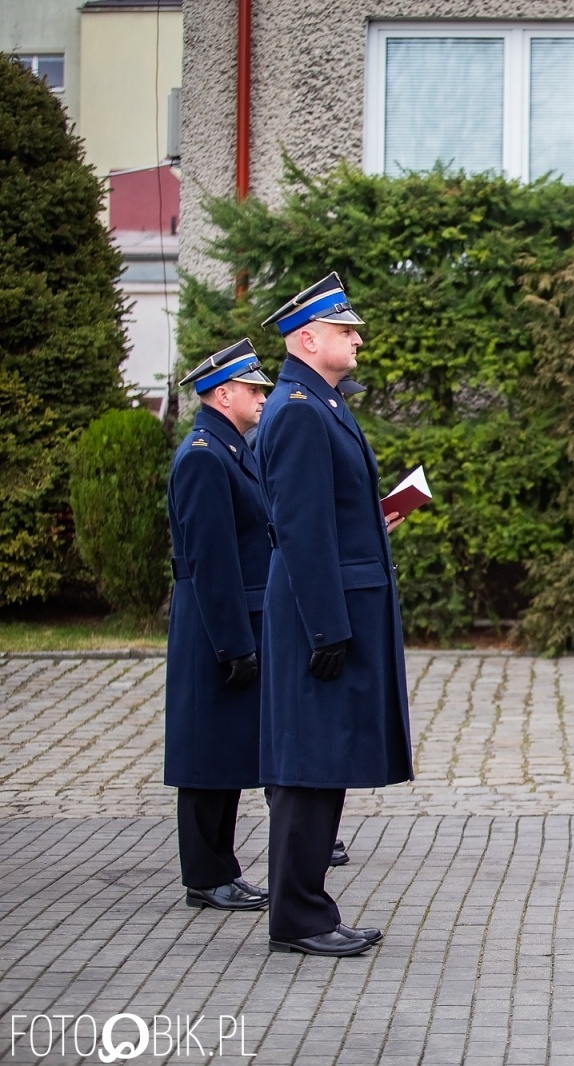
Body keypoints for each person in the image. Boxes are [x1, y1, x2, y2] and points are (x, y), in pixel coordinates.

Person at [255, 272, 412, 958]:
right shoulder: (296, 409)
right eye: (345, 329)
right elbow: (301, 529)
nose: (355, 337)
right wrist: (326, 627)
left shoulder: (321, 402)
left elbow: (331, 517)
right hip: (319, 616)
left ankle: (310, 907)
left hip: (334, 610)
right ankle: (298, 917)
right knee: (307, 766)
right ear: (307, 338)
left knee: (324, 763)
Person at [164, 340, 274, 912]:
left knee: (225, 749)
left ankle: (220, 869)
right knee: (207, 753)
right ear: (222, 394)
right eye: (252, 388)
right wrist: (233, 642)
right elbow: (211, 560)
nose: (262, 396)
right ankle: (205, 876)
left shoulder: (233, 448)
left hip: (233, 616)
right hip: (215, 621)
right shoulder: (206, 455)